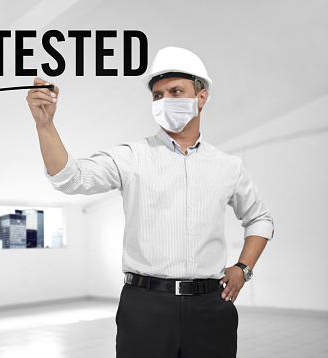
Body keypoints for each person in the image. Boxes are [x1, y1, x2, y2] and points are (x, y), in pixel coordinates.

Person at [26, 46, 274, 358]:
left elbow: (260, 219)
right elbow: (70, 177)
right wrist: (45, 125)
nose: (165, 100)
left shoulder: (228, 166)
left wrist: (242, 267)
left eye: (176, 91)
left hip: (212, 307)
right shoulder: (131, 157)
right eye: (158, 95)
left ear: (201, 97)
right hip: (145, 307)